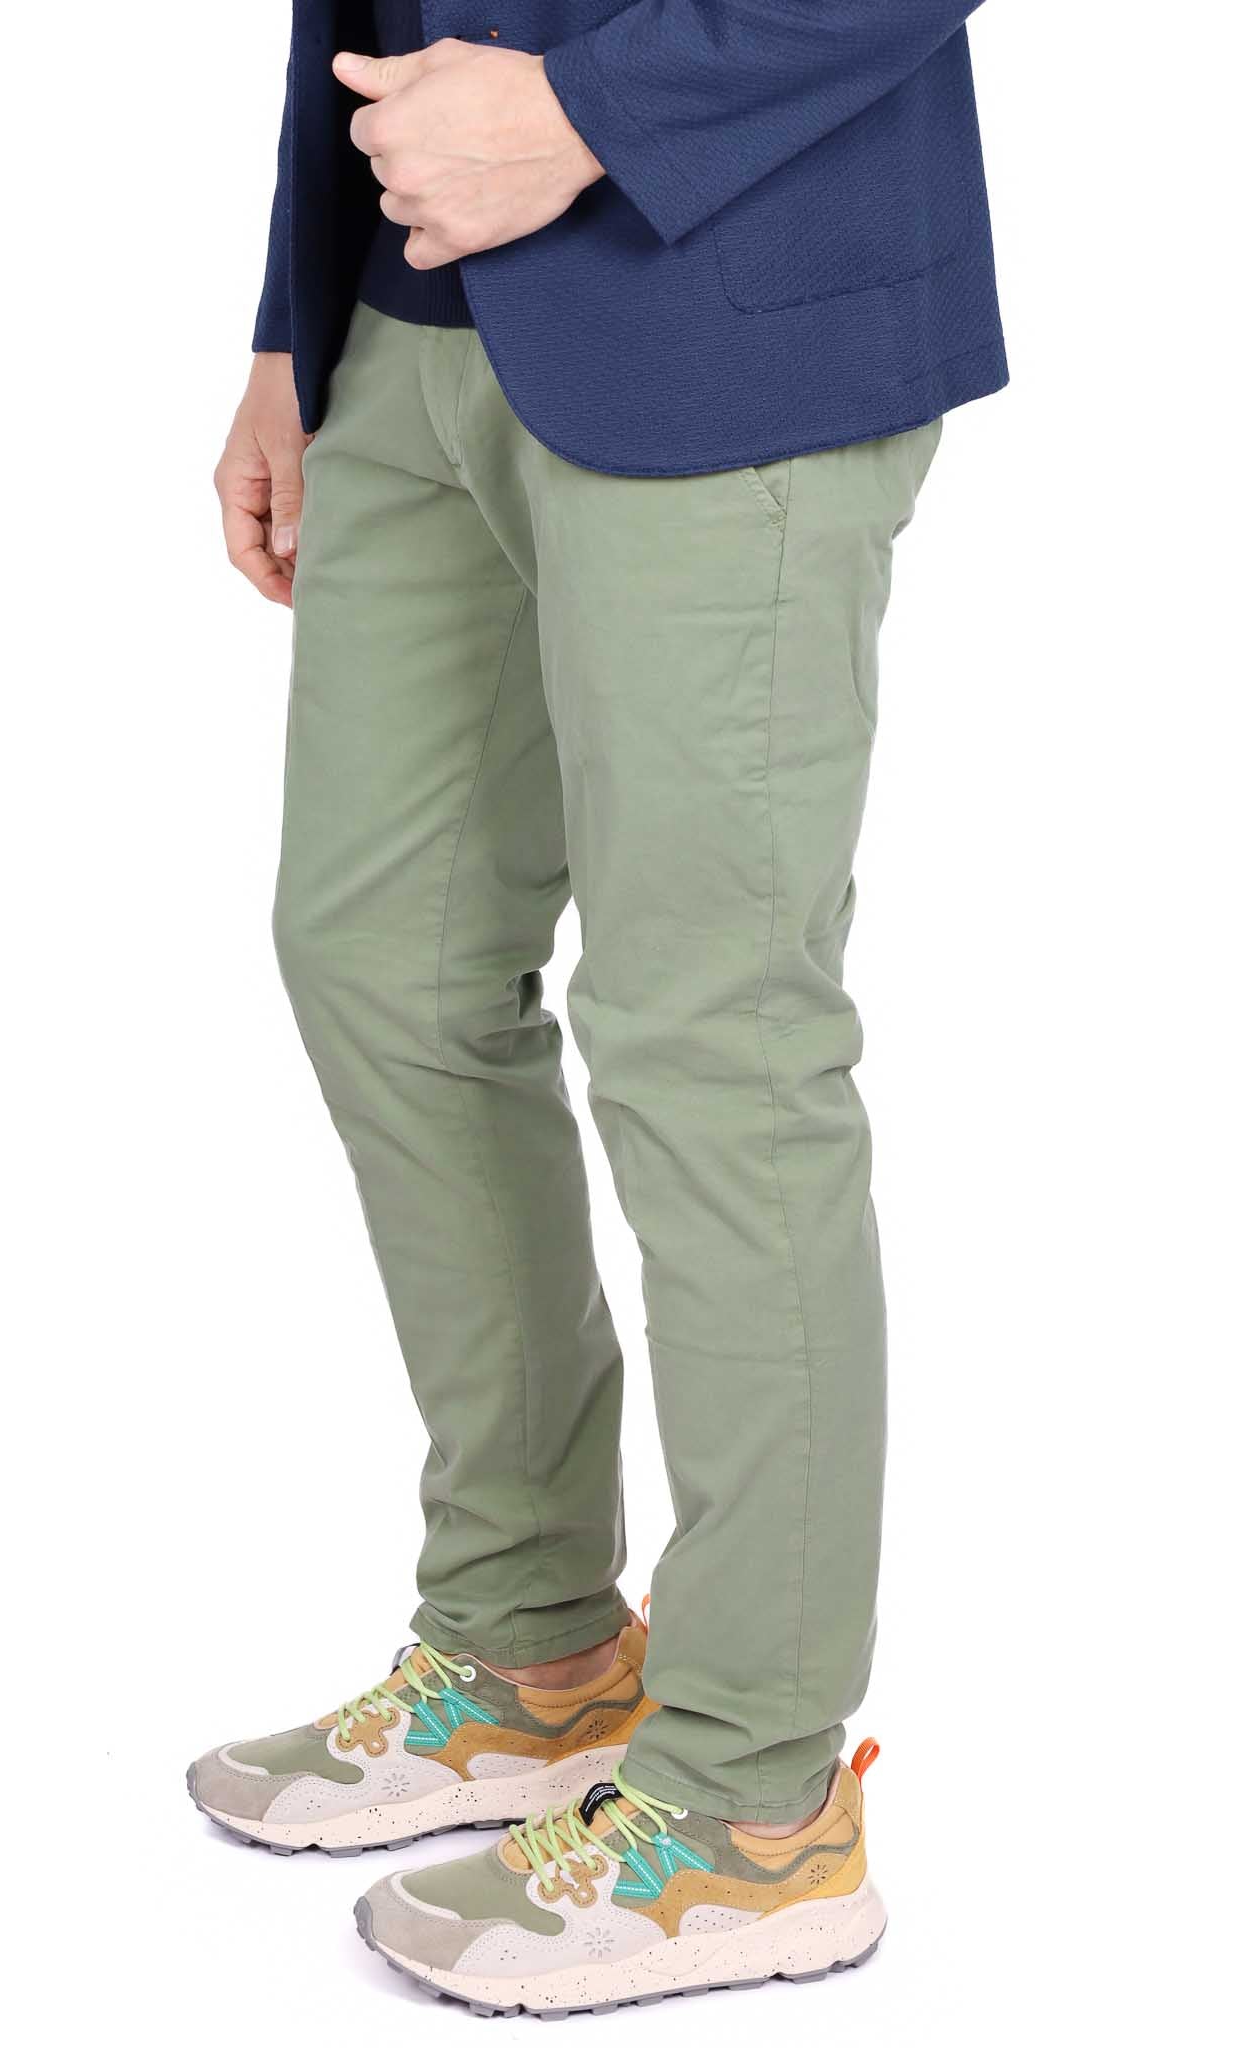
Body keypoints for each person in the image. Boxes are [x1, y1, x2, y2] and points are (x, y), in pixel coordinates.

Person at [190, 0, 1006, 2014]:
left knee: (711, 1040)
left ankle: (754, 1802)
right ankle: (531, 1641)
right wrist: (296, 315)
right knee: (377, 962)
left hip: (718, 291)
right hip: (413, 308)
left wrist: (586, 110)